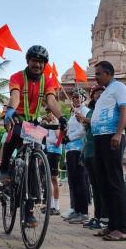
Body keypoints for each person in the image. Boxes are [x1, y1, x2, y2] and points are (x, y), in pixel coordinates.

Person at [0, 45, 67, 228]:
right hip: (18, 117)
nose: (37, 65)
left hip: (35, 124)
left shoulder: (49, 80)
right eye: (34, 61)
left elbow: (51, 101)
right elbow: (15, 96)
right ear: (28, 61)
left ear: (45, 64)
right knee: (13, 134)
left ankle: (28, 211)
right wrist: (10, 110)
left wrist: (61, 118)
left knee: (35, 163)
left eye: (41, 62)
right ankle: (4, 168)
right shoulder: (17, 77)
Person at [91, 61, 126, 241]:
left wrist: (118, 133)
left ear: (107, 73)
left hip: (111, 138)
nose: (96, 77)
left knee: (115, 182)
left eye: (98, 74)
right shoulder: (106, 91)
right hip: (99, 139)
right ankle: (112, 225)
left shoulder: (119, 87)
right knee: (104, 182)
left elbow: (124, 111)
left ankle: (122, 228)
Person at [77, 84, 107, 230]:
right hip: (88, 149)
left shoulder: (104, 110)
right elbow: (86, 132)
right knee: (94, 185)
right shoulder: (90, 111)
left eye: (101, 92)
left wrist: (85, 119)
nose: (98, 95)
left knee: (102, 185)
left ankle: (103, 217)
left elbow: (98, 123)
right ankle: (96, 216)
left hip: (99, 149)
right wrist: (82, 152)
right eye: (96, 93)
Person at [62, 89, 90, 224]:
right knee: (72, 182)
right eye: (73, 97)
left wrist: (69, 137)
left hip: (79, 148)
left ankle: (83, 212)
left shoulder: (84, 111)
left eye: (78, 97)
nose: (76, 99)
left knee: (80, 181)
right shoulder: (72, 114)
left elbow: (83, 130)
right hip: (69, 149)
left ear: (83, 98)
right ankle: (76, 209)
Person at [43, 108, 62, 215]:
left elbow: (58, 139)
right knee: (49, 179)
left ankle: (56, 207)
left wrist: (49, 139)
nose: (48, 114)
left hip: (55, 152)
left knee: (54, 179)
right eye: (47, 112)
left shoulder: (56, 123)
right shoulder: (50, 123)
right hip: (49, 152)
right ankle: (50, 205)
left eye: (50, 112)